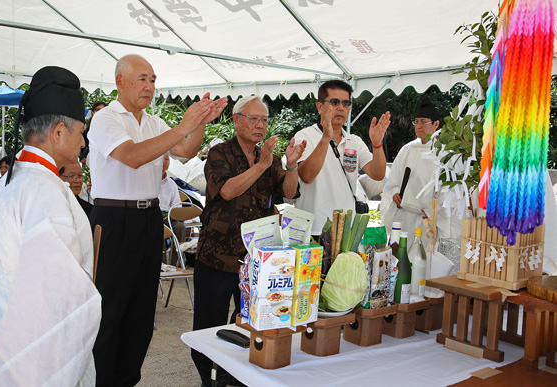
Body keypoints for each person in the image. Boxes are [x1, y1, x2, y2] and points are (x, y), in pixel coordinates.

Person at [88, 54, 227, 387]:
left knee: (140, 309)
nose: (149, 86)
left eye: (152, 79)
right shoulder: (106, 119)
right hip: (113, 218)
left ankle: (126, 379)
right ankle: (100, 380)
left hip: (148, 217)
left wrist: (200, 121)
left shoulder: (154, 122)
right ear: (120, 81)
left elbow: (186, 151)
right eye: (142, 79)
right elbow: (133, 157)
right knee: (109, 309)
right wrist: (182, 126)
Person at [0, 66, 101, 386]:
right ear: (59, 132)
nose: (83, 141)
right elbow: (60, 296)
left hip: (1, 318)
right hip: (29, 329)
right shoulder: (46, 191)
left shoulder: (11, 179)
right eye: (81, 132)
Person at [192, 95, 306, 386]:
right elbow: (227, 191)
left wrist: (291, 166)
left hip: (256, 261)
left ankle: (240, 378)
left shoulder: (270, 157)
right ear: (236, 120)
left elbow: (290, 193)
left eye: (264, 120)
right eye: (253, 119)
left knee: (252, 325)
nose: (259, 125)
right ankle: (210, 379)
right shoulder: (219, 153)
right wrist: (260, 165)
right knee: (208, 328)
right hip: (218, 259)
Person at [293, 80, 391, 236]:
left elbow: (377, 174)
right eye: (334, 102)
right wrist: (326, 138)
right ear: (320, 107)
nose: (340, 108)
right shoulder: (305, 136)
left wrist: (377, 145)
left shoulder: (354, 141)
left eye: (346, 103)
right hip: (311, 230)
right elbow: (307, 176)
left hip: (345, 231)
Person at [380, 97, 461, 245]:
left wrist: (434, 211)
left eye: (423, 122)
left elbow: (449, 190)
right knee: (398, 259)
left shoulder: (444, 153)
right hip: (403, 217)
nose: (418, 126)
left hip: (427, 220)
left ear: (436, 124)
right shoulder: (407, 149)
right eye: (416, 122)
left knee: (423, 261)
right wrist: (394, 193)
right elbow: (393, 181)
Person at [159, 153, 187, 266]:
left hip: (167, 215)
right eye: (162, 159)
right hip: (153, 215)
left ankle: (173, 264)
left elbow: (177, 206)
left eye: (167, 159)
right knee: (158, 228)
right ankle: (161, 265)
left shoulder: (171, 184)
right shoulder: (149, 181)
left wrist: (172, 215)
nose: (165, 162)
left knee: (180, 227)